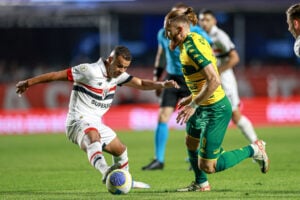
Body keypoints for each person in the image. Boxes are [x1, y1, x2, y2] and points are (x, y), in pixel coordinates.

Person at [15, 45, 179, 190]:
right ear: (110, 60)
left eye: (125, 67)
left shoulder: (118, 76)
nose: (121, 70)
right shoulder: (89, 71)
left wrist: (163, 84)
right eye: (119, 66)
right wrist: (28, 83)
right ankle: (106, 171)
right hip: (77, 121)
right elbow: (55, 76)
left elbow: (142, 84)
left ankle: (126, 180)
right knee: (93, 137)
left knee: (121, 150)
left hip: (95, 122)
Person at [164, 7, 269, 192]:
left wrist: (194, 104)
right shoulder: (191, 41)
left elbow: (214, 80)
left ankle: (255, 149)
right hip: (201, 103)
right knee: (191, 141)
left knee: (209, 166)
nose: (166, 35)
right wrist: (191, 98)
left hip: (215, 108)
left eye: (168, 31)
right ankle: (201, 184)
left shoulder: (192, 47)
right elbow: (202, 79)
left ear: (180, 30)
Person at [142, 2, 212, 171]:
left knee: (196, 119)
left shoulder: (196, 33)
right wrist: (157, 80)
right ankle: (159, 160)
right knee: (163, 116)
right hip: (173, 78)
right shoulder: (163, 34)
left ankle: (195, 158)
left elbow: (209, 51)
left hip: (192, 78)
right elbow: (161, 55)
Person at [198, 9, 259, 144]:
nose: (204, 23)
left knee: (235, 115)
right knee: (205, 113)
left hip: (224, 81)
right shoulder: (200, 36)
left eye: (207, 19)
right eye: (201, 20)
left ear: (214, 21)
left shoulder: (219, 36)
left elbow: (234, 58)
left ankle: (257, 145)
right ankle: (200, 152)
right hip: (211, 81)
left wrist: (216, 72)